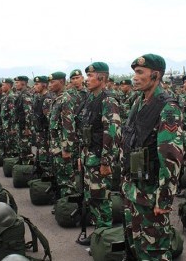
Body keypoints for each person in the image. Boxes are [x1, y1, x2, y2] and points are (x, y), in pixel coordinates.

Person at [121, 54, 183, 260]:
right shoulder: (138, 102)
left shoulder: (167, 107)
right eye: (134, 73)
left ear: (156, 75)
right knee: (136, 245)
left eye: (140, 73)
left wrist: (164, 200)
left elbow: (171, 158)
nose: (135, 78)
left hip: (151, 192)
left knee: (154, 249)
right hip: (134, 188)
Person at [77, 62, 121, 245]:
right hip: (89, 155)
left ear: (102, 78)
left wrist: (106, 161)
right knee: (91, 197)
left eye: (90, 76)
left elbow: (112, 133)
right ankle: (98, 234)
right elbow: (85, 129)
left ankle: (105, 238)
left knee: (102, 198)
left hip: (100, 157)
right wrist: (82, 155)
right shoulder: (90, 99)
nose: (87, 80)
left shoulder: (108, 100)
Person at [48, 71, 77, 198]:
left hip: (62, 146)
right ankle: (62, 204)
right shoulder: (57, 99)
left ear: (61, 82)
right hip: (57, 145)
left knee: (67, 179)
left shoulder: (66, 99)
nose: (50, 85)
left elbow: (68, 126)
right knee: (60, 176)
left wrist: (67, 149)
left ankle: (67, 204)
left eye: (52, 82)